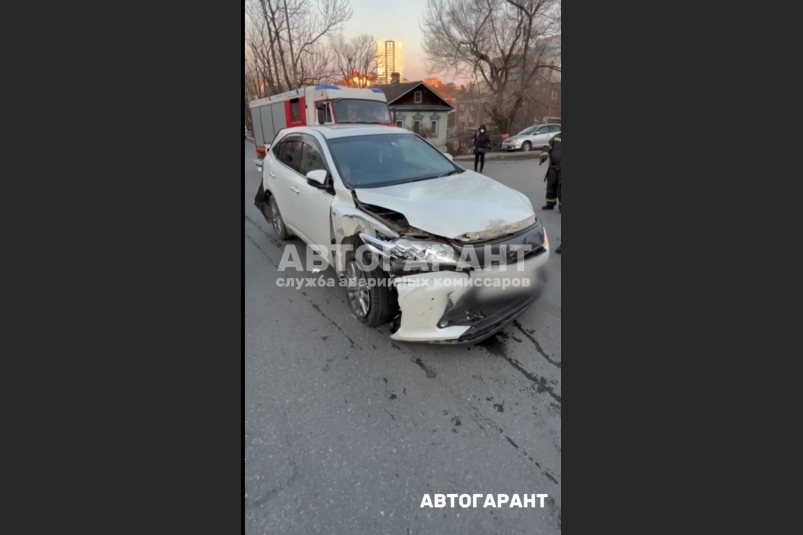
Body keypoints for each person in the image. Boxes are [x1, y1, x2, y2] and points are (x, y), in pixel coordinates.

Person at [539, 132, 561, 210]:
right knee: (551, 185)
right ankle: (550, 204)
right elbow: (547, 146)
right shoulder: (556, 137)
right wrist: (544, 155)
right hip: (553, 167)